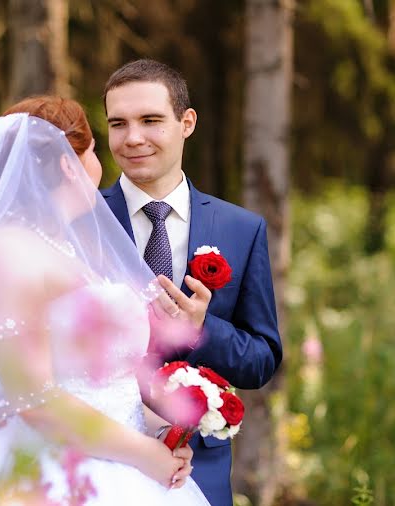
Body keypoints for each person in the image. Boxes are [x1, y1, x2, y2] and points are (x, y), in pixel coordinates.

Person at [0, 96, 210, 505]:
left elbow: (101, 383)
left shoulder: (68, 247)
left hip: (117, 458)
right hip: (46, 469)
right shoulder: (7, 255)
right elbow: (35, 398)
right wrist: (144, 455)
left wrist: (158, 429)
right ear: (70, 164)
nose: (98, 161)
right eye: (91, 150)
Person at [100, 59, 283, 506]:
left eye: (150, 120)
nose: (133, 138)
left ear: (187, 123)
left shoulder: (242, 229)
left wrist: (203, 330)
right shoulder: (83, 219)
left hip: (198, 467)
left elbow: (262, 360)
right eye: (118, 124)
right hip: (100, 457)